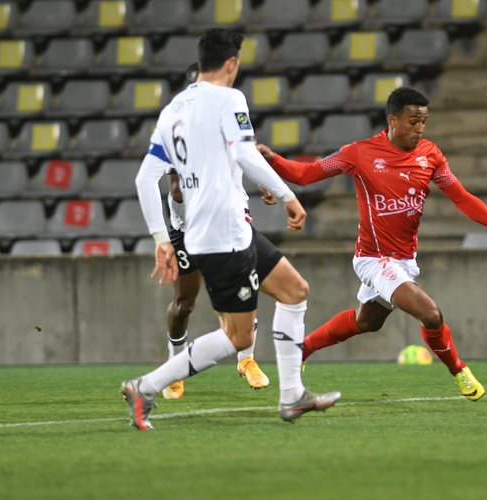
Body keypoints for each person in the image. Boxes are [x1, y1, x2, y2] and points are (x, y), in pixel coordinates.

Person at [123, 29, 340, 430]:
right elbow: (242, 150)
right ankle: (146, 387)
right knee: (238, 338)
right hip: (222, 235)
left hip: (223, 230)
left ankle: (292, 396)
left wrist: (159, 238)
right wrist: (287, 193)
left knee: (295, 291)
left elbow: (143, 179)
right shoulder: (229, 98)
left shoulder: (173, 109)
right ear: (231, 63)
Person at [257, 87, 487, 401]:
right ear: (392, 120)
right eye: (413, 121)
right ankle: (459, 370)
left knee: (366, 321)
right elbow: (306, 175)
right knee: (431, 313)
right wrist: (273, 160)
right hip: (374, 259)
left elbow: (462, 198)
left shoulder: (431, 155)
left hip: (404, 260)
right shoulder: (358, 153)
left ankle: (302, 349)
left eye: (424, 122)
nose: (420, 128)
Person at [158, 63, 305, 400]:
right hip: (188, 226)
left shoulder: (228, 115)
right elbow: (177, 188)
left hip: (231, 219)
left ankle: (247, 359)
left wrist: (264, 181)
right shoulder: (177, 127)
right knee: (184, 303)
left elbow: (243, 152)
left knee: (247, 287)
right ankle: (173, 363)